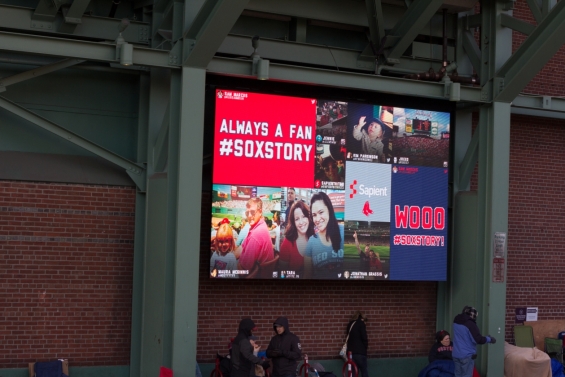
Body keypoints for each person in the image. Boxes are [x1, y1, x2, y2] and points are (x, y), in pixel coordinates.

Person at [305, 192, 344, 279]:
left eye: (321, 212)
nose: (317, 219)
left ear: (329, 210)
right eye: (314, 215)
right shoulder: (311, 242)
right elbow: (306, 275)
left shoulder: (343, 232)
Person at [452, 306, 496, 377]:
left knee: (458, 375)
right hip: (466, 355)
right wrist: (489, 339)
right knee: (466, 375)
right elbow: (478, 339)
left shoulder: (456, 320)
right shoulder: (470, 324)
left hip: (456, 354)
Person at [279, 201, 315, 275]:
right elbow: (282, 273)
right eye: (297, 219)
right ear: (293, 222)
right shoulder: (287, 243)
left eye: (304, 216)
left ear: (308, 218)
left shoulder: (315, 237)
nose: (301, 222)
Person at [239, 198, 275, 271]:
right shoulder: (260, 224)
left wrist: (229, 264)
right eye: (247, 213)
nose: (249, 216)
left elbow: (243, 271)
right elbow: (242, 247)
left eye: (252, 212)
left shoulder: (256, 234)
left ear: (260, 212)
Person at [346, 311, 368, 377]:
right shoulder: (361, 324)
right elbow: (364, 338)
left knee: (354, 373)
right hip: (360, 352)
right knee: (364, 372)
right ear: (362, 318)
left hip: (351, 353)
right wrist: (365, 348)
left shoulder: (350, 325)